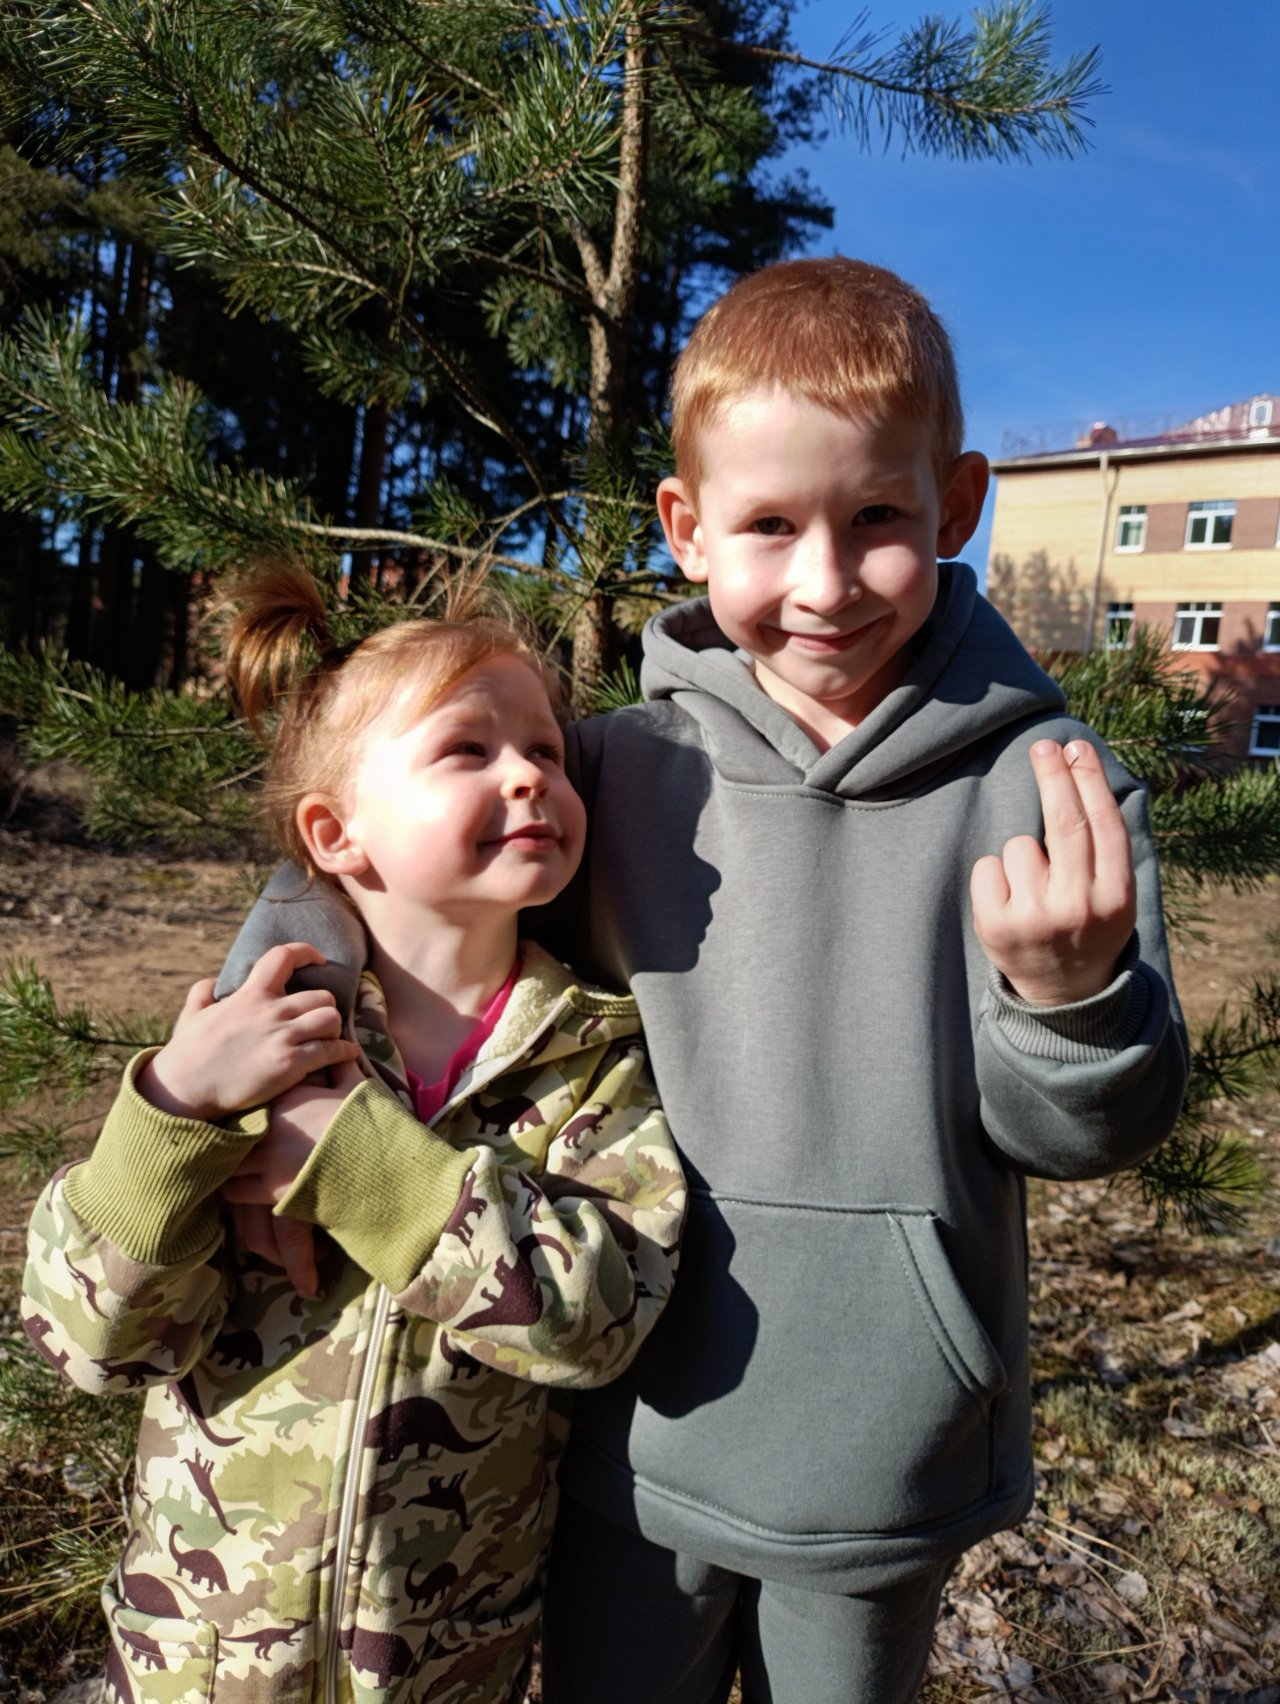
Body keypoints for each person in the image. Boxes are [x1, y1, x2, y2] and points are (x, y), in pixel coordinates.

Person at [215, 257, 1187, 1703]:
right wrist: (270, 1068)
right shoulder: (612, 768)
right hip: (621, 1423)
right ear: (685, 530)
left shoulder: (1045, 790)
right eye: (769, 526)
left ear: (956, 508)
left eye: (876, 520)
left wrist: (1070, 995)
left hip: (886, 1452)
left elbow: (1090, 1134)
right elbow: (359, 859)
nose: (823, 581)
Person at [21, 567, 686, 1704]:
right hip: (205, 1663)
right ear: (336, 834)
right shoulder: (242, 1051)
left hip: (443, 1664)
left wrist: (358, 1164)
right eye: (467, 749)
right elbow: (86, 1345)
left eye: (547, 749)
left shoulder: (593, 1061)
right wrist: (171, 1111)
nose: (530, 772)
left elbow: (595, 1324)